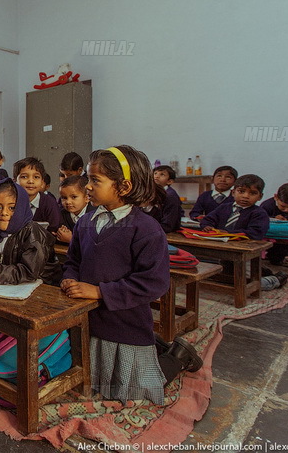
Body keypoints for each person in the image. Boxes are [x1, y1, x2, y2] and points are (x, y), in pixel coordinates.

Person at [61, 145, 202, 405]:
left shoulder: (146, 229)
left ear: (124, 187)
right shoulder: (85, 221)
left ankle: (177, 357)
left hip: (125, 324)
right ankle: (159, 346)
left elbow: (154, 282)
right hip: (88, 320)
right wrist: (69, 276)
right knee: (91, 380)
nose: (87, 186)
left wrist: (101, 292)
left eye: (95, 180)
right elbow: (73, 260)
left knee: (139, 389)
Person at [0, 178, 61, 285]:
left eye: (12, 208)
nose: (4, 213)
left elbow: (29, 272)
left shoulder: (32, 233)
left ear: (22, 208)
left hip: (43, 286)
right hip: (5, 284)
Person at [200, 174, 270, 240]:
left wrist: (229, 233)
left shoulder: (259, 213)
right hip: (219, 242)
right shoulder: (223, 207)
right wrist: (207, 226)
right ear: (233, 192)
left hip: (245, 247)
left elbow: (255, 233)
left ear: (260, 197)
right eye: (241, 191)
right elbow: (208, 219)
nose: (245, 196)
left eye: (252, 193)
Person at [13, 157, 61, 232]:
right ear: (15, 181)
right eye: (24, 177)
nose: (31, 181)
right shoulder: (10, 202)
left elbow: (54, 230)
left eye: (36, 177)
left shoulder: (49, 203)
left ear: (42, 182)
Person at [54, 175, 93, 244]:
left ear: (87, 198)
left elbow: (92, 244)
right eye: (64, 198)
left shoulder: (94, 216)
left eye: (74, 197)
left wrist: (71, 239)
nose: (68, 202)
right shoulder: (60, 214)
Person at [152, 164, 183, 233]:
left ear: (169, 181)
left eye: (162, 174)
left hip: (166, 232)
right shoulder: (150, 193)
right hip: (155, 229)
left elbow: (168, 224)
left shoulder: (170, 196)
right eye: (155, 173)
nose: (156, 176)